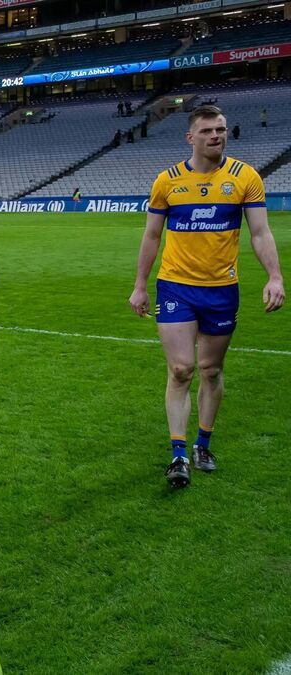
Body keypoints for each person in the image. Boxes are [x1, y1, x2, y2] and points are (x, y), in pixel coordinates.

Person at [129, 105, 284, 489]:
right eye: (208, 131)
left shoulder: (245, 177)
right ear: (191, 137)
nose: (216, 135)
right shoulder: (167, 181)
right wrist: (140, 285)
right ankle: (178, 454)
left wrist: (275, 276)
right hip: (175, 286)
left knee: (211, 370)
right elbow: (152, 236)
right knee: (182, 369)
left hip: (221, 289)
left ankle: (203, 443)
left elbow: (260, 232)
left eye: (221, 129)